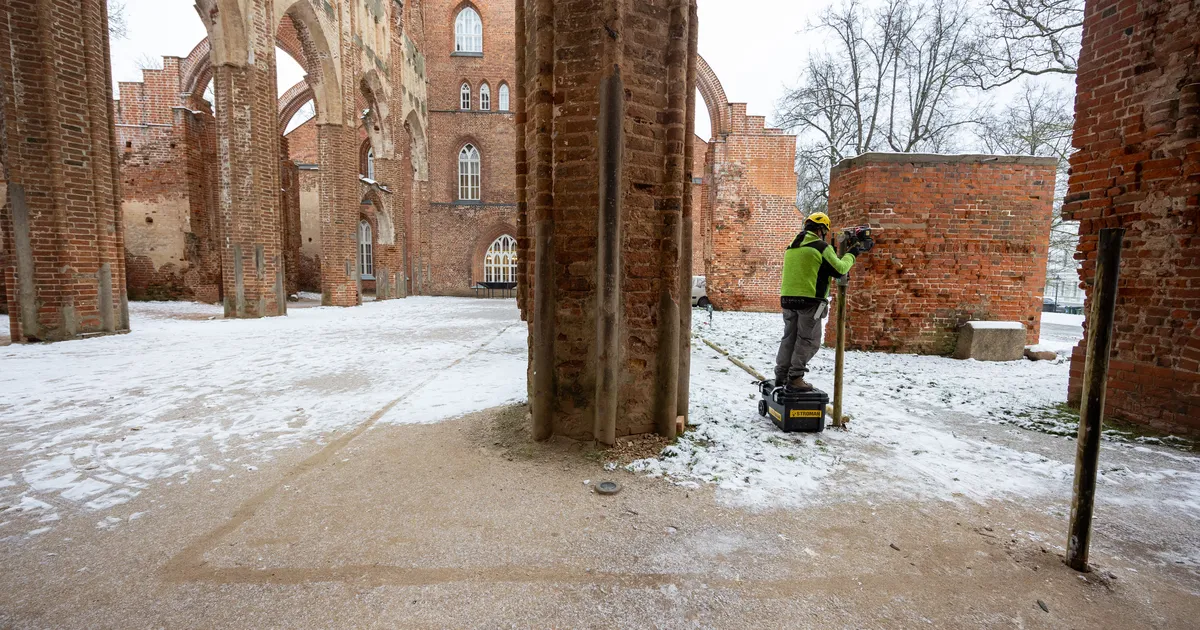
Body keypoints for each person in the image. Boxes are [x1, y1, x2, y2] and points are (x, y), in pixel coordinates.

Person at [774, 212, 864, 392]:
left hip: (788, 301)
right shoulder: (820, 246)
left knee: (789, 338)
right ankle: (795, 377)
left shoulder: (792, 246)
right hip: (811, 303)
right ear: (821, 229)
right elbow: (840, 269)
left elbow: (818, 269)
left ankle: (781, 375)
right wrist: (853, 252)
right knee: (809, 340)